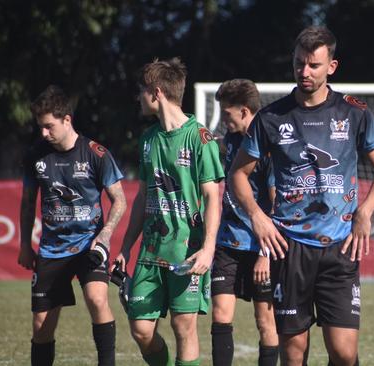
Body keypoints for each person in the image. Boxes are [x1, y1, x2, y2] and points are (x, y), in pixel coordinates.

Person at [229, 26, 374, 366]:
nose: (304, 72)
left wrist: (364, 212)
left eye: (313, 65)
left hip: (341, 245)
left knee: (345, 352)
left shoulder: (355, 113)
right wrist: (258, 217)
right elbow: (237, 175)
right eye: (298, 64)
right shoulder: (271, 118)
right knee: (293, 354)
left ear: (331, 67)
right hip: (289, 247)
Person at [113, 58, 224, 366]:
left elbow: (213, 197)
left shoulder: (200, 137)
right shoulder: (148, 139)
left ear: (156, 92)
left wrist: (208, 249)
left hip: (187, 252)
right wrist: (124, 247)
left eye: (141, 91)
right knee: (141, 330)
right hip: (150, 252)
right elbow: (142, 197)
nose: (139, 98)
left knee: (183, 326)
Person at [19, 85, 127, 366]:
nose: (43, 133)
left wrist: (104, 235)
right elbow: (28, 203)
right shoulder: (35, 156)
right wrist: (24, 246)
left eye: (48, 126)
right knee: (41, 325)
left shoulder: (96, 153)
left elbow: (120, 200)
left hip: (88, 246)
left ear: (67, 119)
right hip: (52, 250)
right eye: (40, 127)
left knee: (97, 299)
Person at [210, 79, 279, 366]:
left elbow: (277, 204)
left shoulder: (269, 147)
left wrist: (266, 254)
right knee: (220, 314)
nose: (223, 120)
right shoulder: (232, 141)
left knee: (265, 322)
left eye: (227, 114)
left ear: (245, 111)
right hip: (228, 243)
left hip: (262, 246)